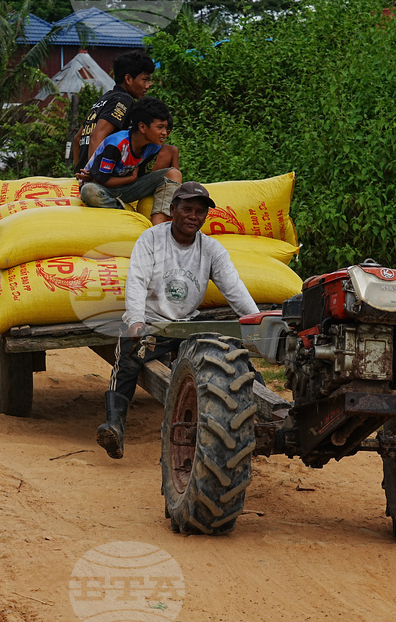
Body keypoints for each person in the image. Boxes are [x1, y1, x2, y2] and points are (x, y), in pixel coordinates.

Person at [97, 182, 260, 459]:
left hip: (189, 324)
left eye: (199, 211)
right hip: (152, 324)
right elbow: (136, 281)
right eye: (187, 209)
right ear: (173, 210)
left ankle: (259, 410)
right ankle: (115, 425)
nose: (193, 216)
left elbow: (234, 288)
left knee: (233, 355)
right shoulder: (151, 239)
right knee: (127, 358)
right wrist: (135, 320)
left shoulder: (211, 250)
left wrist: (257, 322)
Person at [78, 96, 182, 225]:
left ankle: (158, 227)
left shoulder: (154, 146)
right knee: (89, 191)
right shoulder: (117, 144)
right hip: (104, 187)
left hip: (127, 188)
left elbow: (143, 175)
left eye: (165, 128)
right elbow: (100, 180)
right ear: (143, 127)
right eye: (160, 127)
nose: (164, 133)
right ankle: (124, 211)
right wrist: (130, 179)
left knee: (174, 174)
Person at [73, 51, 156, 172]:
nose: (147, 85)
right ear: (128, 79)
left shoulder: (105, 98)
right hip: (100, 176)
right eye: (144, 80)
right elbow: (96, 136)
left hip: (85, 175)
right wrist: (93, 174)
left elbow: (77, 139)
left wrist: (79, 172)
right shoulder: (123, 100)